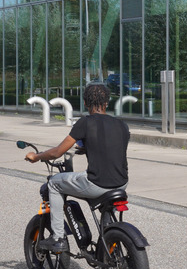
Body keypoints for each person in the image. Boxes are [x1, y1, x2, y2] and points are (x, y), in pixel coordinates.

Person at [24, 82, 129, 253]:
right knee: (104, 201)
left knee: (54, 183)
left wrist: (36, 156)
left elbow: (57, 152)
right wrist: (89, 148)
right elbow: (113, 149)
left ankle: (57, 237)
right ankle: (107, 244)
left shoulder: (85, 123)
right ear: (107, 102)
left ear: (86, 103)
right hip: (121, 184)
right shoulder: (122, 125)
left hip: (96, 183)